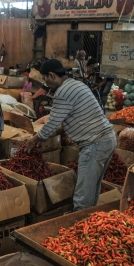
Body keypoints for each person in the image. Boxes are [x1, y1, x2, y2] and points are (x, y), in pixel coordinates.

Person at [25, 59, 116, 211]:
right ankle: (89, 221)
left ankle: (79, 227)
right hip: (107, 140)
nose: (45, 82)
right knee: (92, 189)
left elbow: (52, 123)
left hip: (95, 144)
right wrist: (51, 133)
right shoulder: (76, 84)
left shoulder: (63, 92)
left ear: (52, 75)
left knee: (83, 196)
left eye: (45, 78)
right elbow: (67, 121)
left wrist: (34, 140)